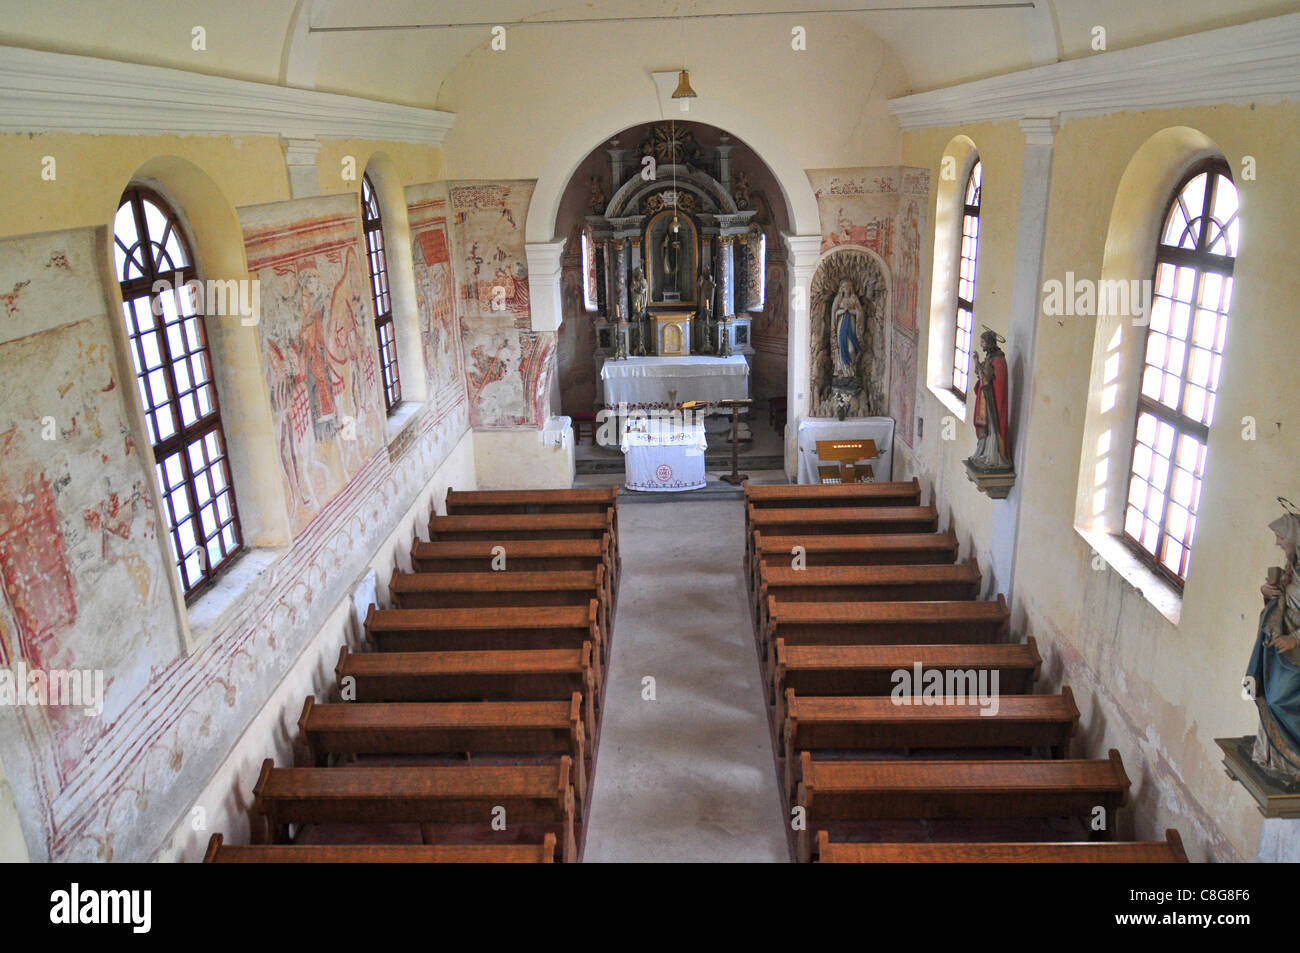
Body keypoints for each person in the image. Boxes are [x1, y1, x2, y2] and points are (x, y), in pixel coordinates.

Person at [1246, 512, 1300, 780]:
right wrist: (1267, 592)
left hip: (1295, 650)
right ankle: (1272, 754)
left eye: (1281, 537)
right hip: (1280, 643)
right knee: (1266, 690)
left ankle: (1294, 759)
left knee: (1279, 698)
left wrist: (1296, 638)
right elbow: (1286, 600)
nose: (1278, 543)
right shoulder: (1294, 565)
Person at [968, 329, 1011, 470]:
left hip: (992, 402)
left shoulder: (998, 360)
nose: (981, 345)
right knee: (986, 427)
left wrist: (976, 361)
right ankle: (985, 453)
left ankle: (993, 457)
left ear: (989, 343)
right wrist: (977, 363)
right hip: (986, 398)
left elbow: (986, 378)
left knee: (992, 427)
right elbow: (983, 374)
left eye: (983, 342)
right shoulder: (991, 357)